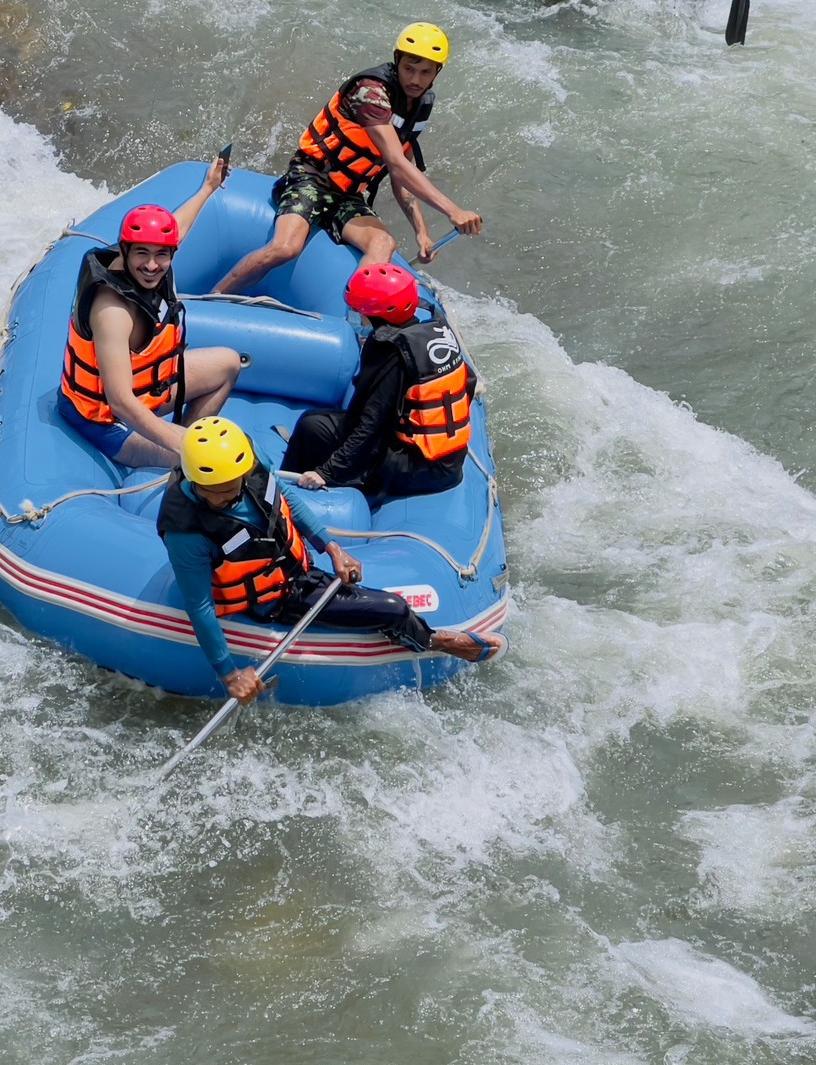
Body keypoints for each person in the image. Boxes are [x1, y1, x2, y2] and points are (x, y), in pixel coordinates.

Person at [158, 416, 503, 703]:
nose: (228, 497)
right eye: (216, 493)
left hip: (294, 566)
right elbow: (199, 605)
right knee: (393, 609)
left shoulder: (248, 457)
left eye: (233, 487)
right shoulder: (185, 531)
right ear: (193, 480)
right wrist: (229, 673)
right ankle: (434, 640)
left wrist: (332, 547)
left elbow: (285, 496)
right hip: (274, 598)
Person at [212, 22, 482, 295]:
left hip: (349, 194)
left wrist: (421, 232)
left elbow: (401, 171)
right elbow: (396, 162)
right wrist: (452, 211)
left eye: (425, 72)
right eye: (409, 68)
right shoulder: (369, 93)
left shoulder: (421, 105)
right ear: (397, 61)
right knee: (285, 248)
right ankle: (215, 296)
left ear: (437, 73)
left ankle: (355, 319)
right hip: (311, 176)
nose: (416, 79)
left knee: (383, 244)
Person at [59, 157, 243, 469]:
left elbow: (178, 227)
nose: (152, 265)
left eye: (162, 255)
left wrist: (208, 188)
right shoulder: (112, 311)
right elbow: (120, 401)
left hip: (146, 388)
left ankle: (185, 445)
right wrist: (185, 445)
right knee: (200, 461)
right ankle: (180, 462)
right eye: (142, 253)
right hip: (104, 417)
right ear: (125, 250)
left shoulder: (155, 261)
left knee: (227, 363)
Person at [281, 263, 475, 499]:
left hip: (416, 470)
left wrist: (327, 471)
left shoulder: (391, 350)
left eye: (359, 310)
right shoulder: (436, 327)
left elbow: (371, 424)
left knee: (312, 426)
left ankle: (286, 498)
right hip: (449, 462)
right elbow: (469, 383)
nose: (357, 315)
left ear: (376, 314)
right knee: (326, 422)